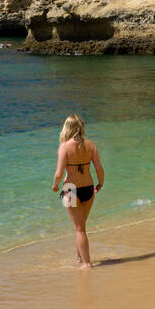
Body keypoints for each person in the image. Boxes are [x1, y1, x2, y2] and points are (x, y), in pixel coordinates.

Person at [52, 114, 104, 269]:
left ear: (67, 128)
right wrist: (101, 183)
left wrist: (55, 185)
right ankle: (79, 258)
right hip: (88, 188)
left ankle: (87, 264)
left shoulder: (64, 147)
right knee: (80, 227)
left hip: (70, 190)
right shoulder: (91, 145)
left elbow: (59, 173)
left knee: (79, 229)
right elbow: (99, 168)